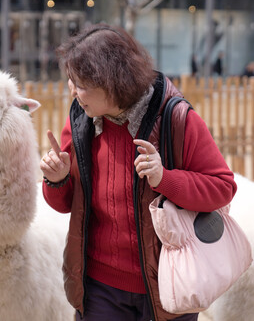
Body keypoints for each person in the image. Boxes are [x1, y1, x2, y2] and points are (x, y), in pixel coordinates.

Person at [40, 23, 236, 321]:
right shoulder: (81, 119)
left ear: (112, 82)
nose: (72, 91)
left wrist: (164, 179)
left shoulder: (176, 117)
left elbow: (222, 188)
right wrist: (56, 180)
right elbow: (65, 205)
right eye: (70, 80)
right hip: (99, 289)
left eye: (80, 84)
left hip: (168, 288)